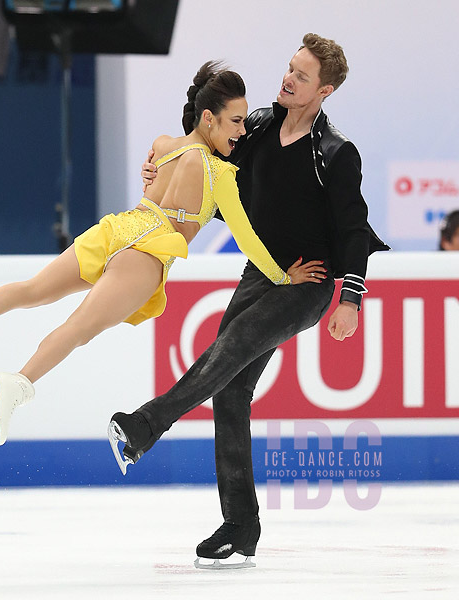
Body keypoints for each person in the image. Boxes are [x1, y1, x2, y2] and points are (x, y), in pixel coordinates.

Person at [0, 61, 321, 451]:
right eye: (236, 121)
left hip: (118, 227)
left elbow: (159, 179)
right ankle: (10, 386)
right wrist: (283, 278)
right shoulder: (220, 174)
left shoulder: (164, 145)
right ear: (208, 118)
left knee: (33, 290)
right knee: (79, 328)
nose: (243, 130)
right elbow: (247, 239)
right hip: (147, 250)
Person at [108, 33, 389, 567]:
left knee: (231, 347)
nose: (288, 79)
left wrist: (349, 298)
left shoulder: (335, 152)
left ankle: (146, 425)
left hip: (308, 282)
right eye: (289, 68)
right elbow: (216, 185)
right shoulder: (256, 128)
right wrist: (162, 175)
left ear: (324, 90)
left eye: (301, 76)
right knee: (231, 393)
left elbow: (354, 231)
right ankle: (241, 523)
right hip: (264, 273)